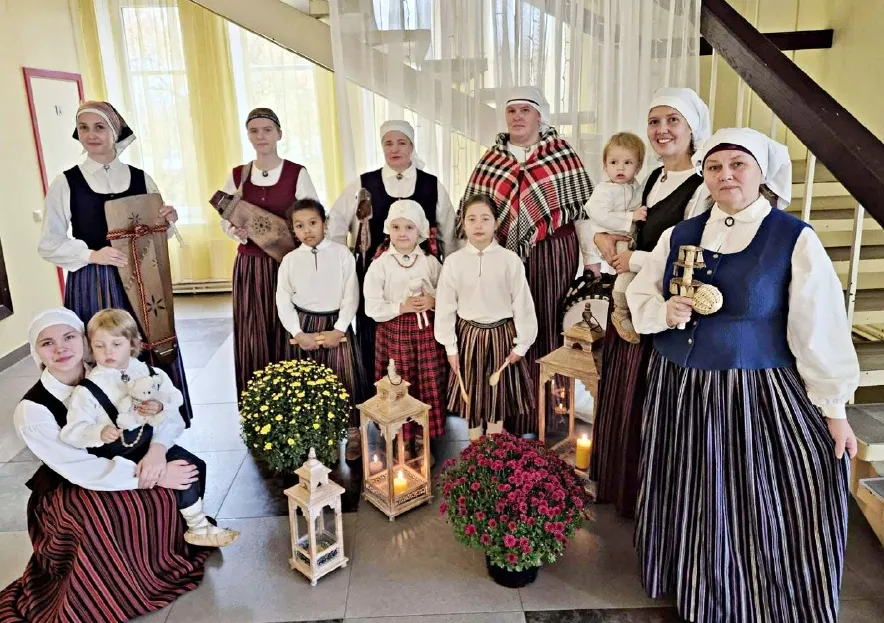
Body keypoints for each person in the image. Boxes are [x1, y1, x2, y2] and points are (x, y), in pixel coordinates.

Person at [628, 127, 858, 623]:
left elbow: (818, 325)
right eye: (714, 167)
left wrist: (834, 409)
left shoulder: (793, 238)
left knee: (750, 492)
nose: (725, 175)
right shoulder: (679, 234)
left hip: (751, 388)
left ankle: (752, 592)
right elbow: (640, 293)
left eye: (738, 165)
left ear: (761, 173)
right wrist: (663, 312)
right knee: (689, 488)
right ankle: (693, 582)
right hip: (680, 387)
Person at [0, 308, 210, 623]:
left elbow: (163, 414)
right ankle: (113, 588)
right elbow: (78, 467)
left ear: (84, 340)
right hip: (70, 481)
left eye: (69, 337)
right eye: (47, 343)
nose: (60, 349)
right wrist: (151, 476)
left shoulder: (112, 370)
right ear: (36, 352)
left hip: (127, 457)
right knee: (108, 514)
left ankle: (165, 555)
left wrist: (157, 453)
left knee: (190, 467)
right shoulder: (33, 410)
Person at [587, 88, 711, 519]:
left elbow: (693, 252)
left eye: (673, 120)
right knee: (621, 392)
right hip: (630, 298)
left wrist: (633, 259)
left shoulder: (701, 186)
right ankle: (617, 484)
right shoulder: (653, 177)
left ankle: (644, 496)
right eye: (655, 121)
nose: (662, 130)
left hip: (661, 307)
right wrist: (602, 238)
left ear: (692, 128)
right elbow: (616, 222)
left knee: (645, 400)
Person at [38, 101, 193, 425]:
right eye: (84, 128)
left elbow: (157, 235)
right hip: (94, 281)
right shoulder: (66, 183)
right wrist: (91, 255)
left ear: (115, 131)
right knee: (103, 346)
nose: (91, 135)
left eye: (100, 127)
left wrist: (167, 219)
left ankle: (157, 419)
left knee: (145, 340)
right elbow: (49, 244)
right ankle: (105, 425)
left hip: (141, 277)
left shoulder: (141, 178)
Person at [458, 87, 593, 435]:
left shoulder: (562, 155)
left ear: (539, 115)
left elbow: (583, 213)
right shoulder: (491, 161)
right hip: (500, 255)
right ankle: (507, 416)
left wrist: (592, 261)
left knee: (546, 323)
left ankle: (547, 412)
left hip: (553, 251)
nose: (517, 117)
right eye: (511, 111)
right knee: (507, 326)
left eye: (525, 110)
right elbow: (473, 214)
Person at [62, 309, 239, 547]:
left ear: (133, 344)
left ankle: (195, 525)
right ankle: (191, 527)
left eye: (116, 344)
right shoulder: (87, 389)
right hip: (118, 451)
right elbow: (73, 431)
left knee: (192, 466)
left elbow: (173, 410)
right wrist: (98, 432)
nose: (108, 352)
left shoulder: (153, 374)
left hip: (151, 441)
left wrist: (161, 407)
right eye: (99, 346)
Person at [328, 120, 457, 393]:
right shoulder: (364, 184)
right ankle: (380, 400)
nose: (394, 149)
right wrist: (343, 265)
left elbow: (450, 233)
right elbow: (336, 224)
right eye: (388, 143)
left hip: (423, 277)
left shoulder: (432, 185)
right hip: (377, 278)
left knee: (427, 346)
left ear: (412, 146)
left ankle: (426, 400)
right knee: (373, 341)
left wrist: (453, 276)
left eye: (401, 143)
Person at [219, 107, 321, 398]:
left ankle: (295, 396)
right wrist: (235, 231)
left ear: (279, 134)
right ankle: (258, 398)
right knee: (253, 329)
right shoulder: (238, 175)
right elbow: (226, 217)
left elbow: (313, 216)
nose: (261, 136)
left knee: (289, 325)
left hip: (288, 264)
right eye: (254, 131)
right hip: (250, 266)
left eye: (267, 130)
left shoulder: (296, 173)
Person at [435, 194, 537, 439]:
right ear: (463, 223)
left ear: (496, 223)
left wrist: (522, 344)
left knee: (496, 394)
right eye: (471, 219)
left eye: (485, 219)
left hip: (501, 335)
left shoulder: (510, 260)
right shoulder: (454, 263)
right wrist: (450, 347)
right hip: (468, 336)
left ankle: (494, 445)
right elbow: (446, 307)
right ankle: (474, 447)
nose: (478, 225)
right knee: (471, 393)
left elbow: (522, 304)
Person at [276, 199, 365, 459]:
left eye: (313, 223)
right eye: (299, 226)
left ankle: (353, 434)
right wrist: (297, 333)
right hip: (305, 326)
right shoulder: (290, 260)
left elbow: (351, 294)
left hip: (336, 325)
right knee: (310, 384)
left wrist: (340, 329)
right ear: (293, 229)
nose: (307, 230)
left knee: (345, 380)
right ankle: (322, 437)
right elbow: (283, 299)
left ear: (324, 224)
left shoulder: (341, 254)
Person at [364, 200, 446, 442]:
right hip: (395, 332)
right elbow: (372, 306)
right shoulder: (380, 264)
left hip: (425, 331)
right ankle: (401, 437)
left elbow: (447, 291)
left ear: (420, 230)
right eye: (396, 227)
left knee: (426, 382)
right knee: (399, 381)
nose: (402, 233)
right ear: (388, 229)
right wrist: (401, 307)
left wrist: (432, 300)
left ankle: (423, 438)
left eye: (409, 227)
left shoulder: (430, 261)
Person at [583, 132, 646, 343]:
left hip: (630, 237)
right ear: (605, 165)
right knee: (627, 271)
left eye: (627, 163)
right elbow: (596, 212)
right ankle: (620, 310)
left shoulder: (636, 187)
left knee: (637, 272)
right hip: (615, 239)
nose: (620, 168)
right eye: (614, 162)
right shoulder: (604, 190)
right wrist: (630, 217)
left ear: (638, 166)